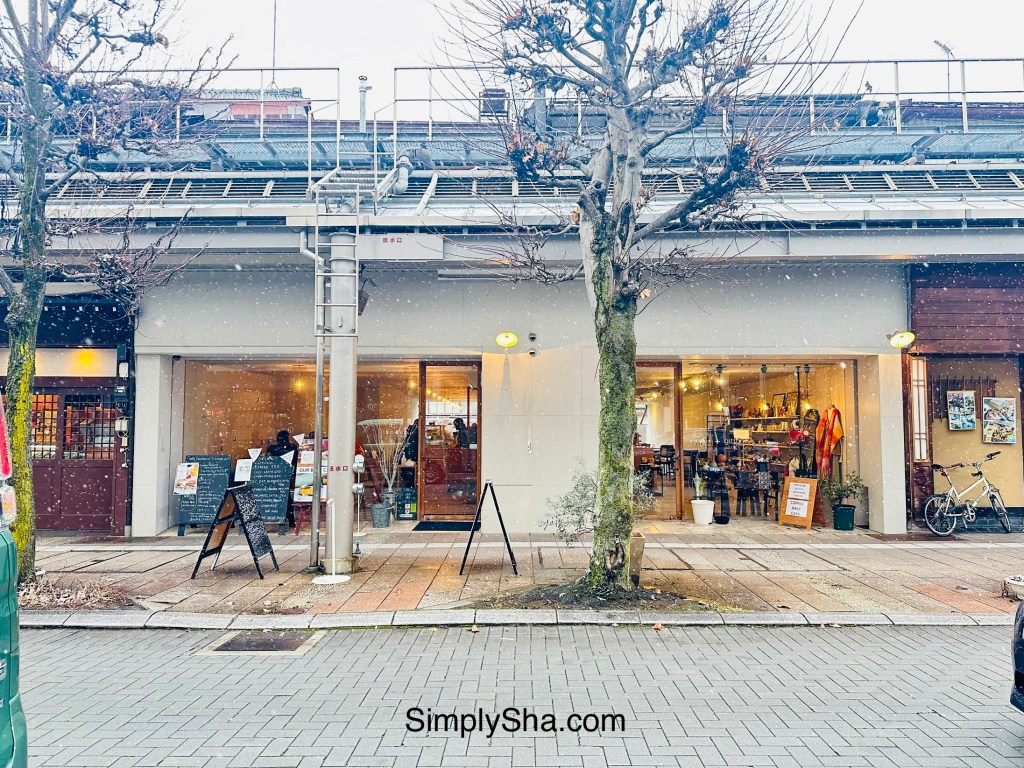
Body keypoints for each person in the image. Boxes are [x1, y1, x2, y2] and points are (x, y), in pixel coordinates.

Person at [265, 430, 299, 527]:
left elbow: (268, 461)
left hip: (274, 476)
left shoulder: (272, 448)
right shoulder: (293, 447)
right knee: (286, 497)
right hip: (288, 475)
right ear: (287, 437)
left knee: (275, 497)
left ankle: (275, 516)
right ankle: (291, 520)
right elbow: (296, 461)